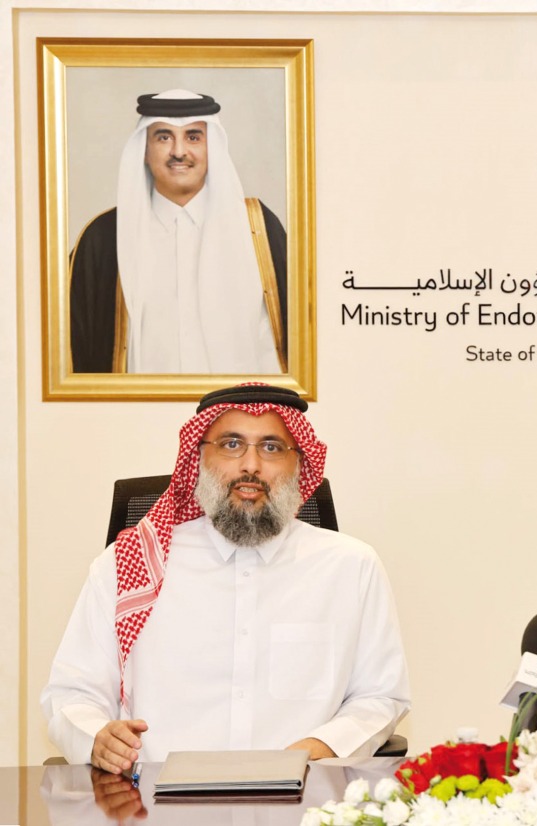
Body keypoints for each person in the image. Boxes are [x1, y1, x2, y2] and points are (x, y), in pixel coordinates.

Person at [41, 383, 410, 772]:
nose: (250, 465)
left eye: (271, 447)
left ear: (299, 465)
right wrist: (97, 738)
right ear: (200, 458)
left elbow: (380, 696)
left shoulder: (350, 567)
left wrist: (323, 746)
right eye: (231, 444)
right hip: (152, 798)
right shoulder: (129, 562)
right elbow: (73, 695)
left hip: (304, 796)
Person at [68, 89, 288, 374]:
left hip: (240, 402)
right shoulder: (104, 237)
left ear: (213, 148)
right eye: (164, 137)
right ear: (144, 150)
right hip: (136, 403)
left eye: (193, 137)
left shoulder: (257, 228)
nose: (179, 152)